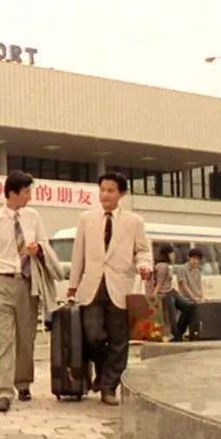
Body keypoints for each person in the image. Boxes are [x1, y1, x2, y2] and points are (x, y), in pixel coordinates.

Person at [67, 172, 152, 406]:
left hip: (120, 287)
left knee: (118, 341)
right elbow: (78, 254)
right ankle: (105, 371)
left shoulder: (134, 221)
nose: (105, 194)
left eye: (111, 190)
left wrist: (144, 266)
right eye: (102, 190)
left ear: (121, 194)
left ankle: (108, 387)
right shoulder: (86, 219)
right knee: (92, 335)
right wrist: (72, 286)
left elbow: (143, 250)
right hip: (92, 287)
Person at [0, 171, 50, 411]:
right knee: (3, 338)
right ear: (12, 193)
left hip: (27, 282)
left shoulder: (34, 217)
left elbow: (45, 245)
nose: (29, 196)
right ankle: (3, 392)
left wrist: (37, 249)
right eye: (26, 191)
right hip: (1, 282)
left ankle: (23, 382)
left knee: (26, 338)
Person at [170, 248, 204, 342]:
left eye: (198, 259)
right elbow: (184, 285)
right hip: (185, 298)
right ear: (189, 258)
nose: (195, 261)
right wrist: (194, 298)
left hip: (195, 298)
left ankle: (194, 333)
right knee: (189, 307)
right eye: (194, 258)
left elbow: (200, 287)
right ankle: (179, 332)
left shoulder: (198, 272)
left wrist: (202, 298)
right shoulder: (182, 269)